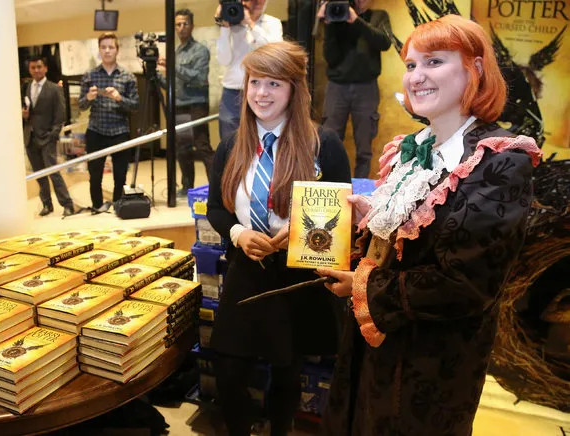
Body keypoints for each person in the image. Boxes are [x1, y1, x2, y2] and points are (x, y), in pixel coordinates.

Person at [317, 15, 542, 436]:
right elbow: (412, 245)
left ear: (474, 69)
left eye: (434, 62)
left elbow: (465, 284)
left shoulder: (500, 161)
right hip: (373, 351)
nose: (417, 76)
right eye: (411, 65)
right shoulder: (410, 150)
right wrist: (371, 228)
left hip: (429, 368)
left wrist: (362, 285)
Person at [207, 41, 351, 436]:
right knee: (229, 367)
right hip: (246, 270)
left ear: (294, 90)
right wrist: (238, 233)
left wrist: (303, 233)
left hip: (296, 276)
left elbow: (341, 215)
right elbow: (215, 211)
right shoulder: (230, 146)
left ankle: (280, 430)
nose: (261, 94)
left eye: (274, 84)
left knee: (287, 370)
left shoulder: (325, 145)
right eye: (255, 82)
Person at [317, 0, 391, 178]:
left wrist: (356, 20)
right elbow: (330, 57)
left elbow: (384, 42)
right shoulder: (336, 17)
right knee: (329, 139)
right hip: (337, 87)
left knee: (364, 148)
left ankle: (360, 189)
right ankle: (329, 185)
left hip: (367, 87)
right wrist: (327, 25)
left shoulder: (378, 15)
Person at [79, 32, 139, 213]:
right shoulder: (90, 75)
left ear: (117, 50)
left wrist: (120, 98)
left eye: (111, 47)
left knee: (120, 174)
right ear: (99, 50)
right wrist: (88, 97)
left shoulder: (128, 76)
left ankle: (119, 206)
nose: (107, 51)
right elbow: (81, 105)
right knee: (95, 174)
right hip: (96, 131)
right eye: (103, 47)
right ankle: (97, 206)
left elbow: (135, 106)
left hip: (120, 131)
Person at [158, 9, 214, 197]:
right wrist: (156, 75)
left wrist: (173, 65)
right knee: (182, 149)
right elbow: (174, 84)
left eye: (185, 24)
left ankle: (216, 187)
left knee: (202, 146)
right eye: (178, 24)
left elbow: (198, 78)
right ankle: (187, 187)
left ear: (192, 25)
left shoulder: (200, 50)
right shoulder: (177, 52)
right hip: (179, 104)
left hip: (196, 104)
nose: (181, 28)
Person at [215, 0, 283, 142]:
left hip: (263, 92)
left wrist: (251, 24)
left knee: (262, 140)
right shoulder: (232, 20)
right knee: (229, 142)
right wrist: (224, 27)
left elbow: (275, 54)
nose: (258, 2)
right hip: (233, 91)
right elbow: (223, 59)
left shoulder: (273, 23)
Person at [22, 56, 75, 217]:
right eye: (33, 67)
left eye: (39, 67)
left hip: (47, 138)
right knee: (39, 174)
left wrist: (53, 135)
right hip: (30, 137)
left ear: (45, 68)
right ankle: (46, 204)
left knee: (54, 172)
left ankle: (68, 204)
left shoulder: (54, 89)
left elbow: (60, 116)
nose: (36, 70)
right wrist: (23, 115)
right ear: (29, 69)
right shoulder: (26, 87)